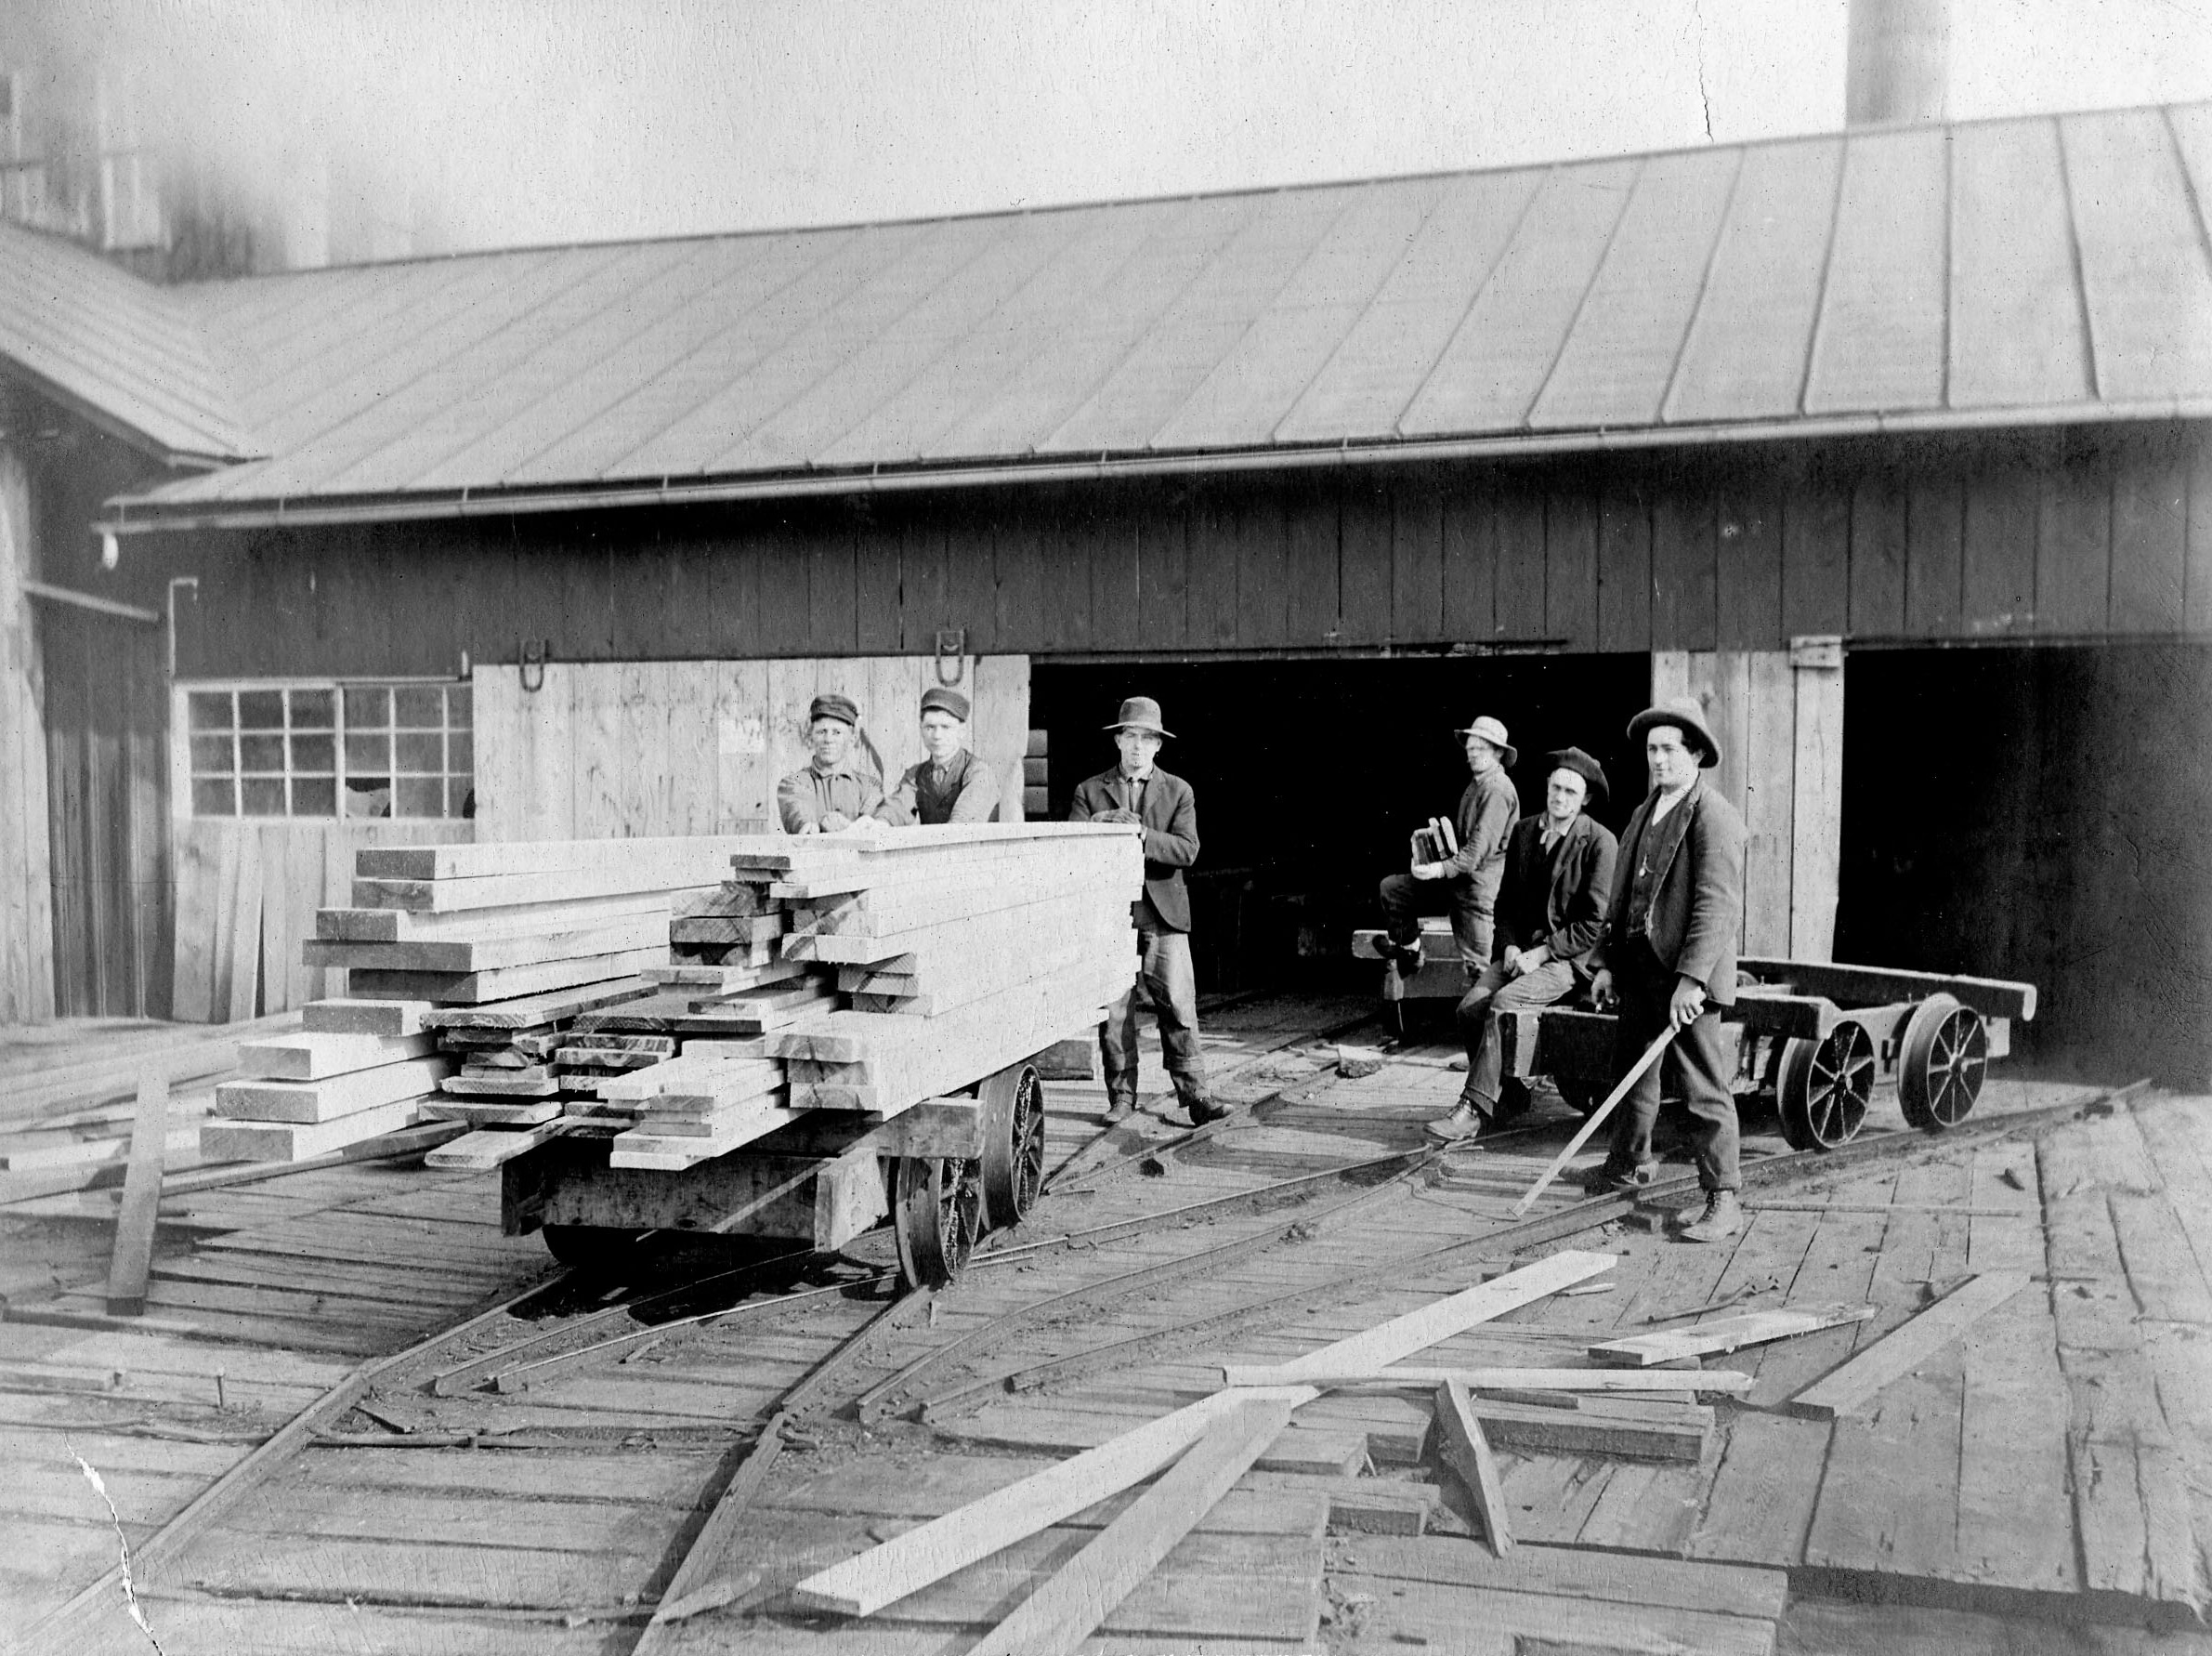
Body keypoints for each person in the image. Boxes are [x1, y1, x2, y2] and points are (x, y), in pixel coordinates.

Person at [1581, 697, 1747, 1243]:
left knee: (1702, 1084)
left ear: (1695, 753)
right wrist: (1605, 964)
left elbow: (1716, 905)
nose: (1658, 759)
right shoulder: (1642, 811)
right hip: (1640, 971)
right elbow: (1622, 895)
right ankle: (1627, 1162)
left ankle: (1723, 1197)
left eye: (1669, 749)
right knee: (1632, 1071)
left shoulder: (1714, 815)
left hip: (1686, 980)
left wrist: (1694, 979)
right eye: (1652, 750)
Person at [1425, 747, 1617, 1143]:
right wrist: (1510, 946)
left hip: (1567, 959)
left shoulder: (1600, 842)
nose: (1560, 797)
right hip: (1522, 953)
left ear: (1586, 800)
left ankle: (1473, 1109)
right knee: (1468, 1009)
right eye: (1555, 787)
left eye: (1570, 792)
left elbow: (1595, 924)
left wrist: (1543, 953)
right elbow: (1505, 904)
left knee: (1504, 1005)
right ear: (1546, 786)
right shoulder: (1525, 832)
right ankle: (1510, 1095)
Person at [1068, 697, 1223, 1126]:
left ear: (1159, 746)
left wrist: (1141, 834)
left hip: (1163, 912)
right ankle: (1121, 1098)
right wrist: (1100, 826)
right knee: (1116, 1010)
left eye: (1147, 738)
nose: (1138, 746)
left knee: (1177, 1002)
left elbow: (1188, 849)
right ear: (1117, 740)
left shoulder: (1179, 791)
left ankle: (1196, 1096)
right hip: (1111, 914)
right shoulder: (1089, 790)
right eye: (1130, 736)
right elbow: (1072, 844)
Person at [1376, 715, 1520, 975]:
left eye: (1480, 748)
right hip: (1457, 882)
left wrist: (1438, 870)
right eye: (1470, 748)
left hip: (1478, 894)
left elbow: (1476, 853)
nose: (1473, 754)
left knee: (1479, 972)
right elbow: (1462, 843)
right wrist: (1431, 842)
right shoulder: (1476, 785)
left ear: (1498, 752)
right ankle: (1411, 949)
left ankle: (1485, 1009)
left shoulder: (1498, 790)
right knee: (1393, 890)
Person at [776, 693, 893, 835]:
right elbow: (801, 816)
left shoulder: (870, 787)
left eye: (837, 732)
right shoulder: (793, 784)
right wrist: (814, 825)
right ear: (811, 735)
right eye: (821, 732)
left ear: (852, 738)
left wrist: (845, 828)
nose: (828, 739)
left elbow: (874, 830)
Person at [883, 687, 1000, 825]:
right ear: (921, 730)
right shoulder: (916, 775)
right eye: (930, 727)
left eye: (946, 727)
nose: (937, 736)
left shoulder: (979, 772)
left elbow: (962, 823)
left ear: (962, 731)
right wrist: (878, 824)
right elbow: (897, 809)